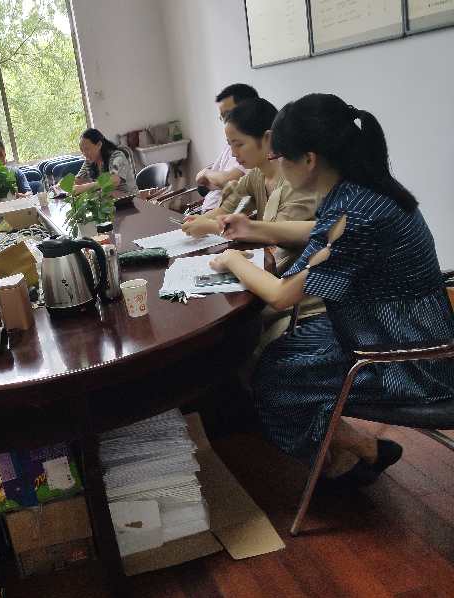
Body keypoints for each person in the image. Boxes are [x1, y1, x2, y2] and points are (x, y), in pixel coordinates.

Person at [210, 94, 454, 485]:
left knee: (273, 377)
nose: (276, 165)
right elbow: (322, 234)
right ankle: (358, 452)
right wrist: (255, 229)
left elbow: (283, 295)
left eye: (279, 157)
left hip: (409, 359)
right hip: (396, 325)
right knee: (274, 354)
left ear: (309, 160)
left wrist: (232, 261)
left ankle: (351, 457)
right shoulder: (361, 190)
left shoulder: (354, 214)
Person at [182, 97, 321, 275]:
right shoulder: (256, 175)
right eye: (230, 145)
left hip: (292, 272)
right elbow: (226, 209)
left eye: (239, 144)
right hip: (270, 266)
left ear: (268, 138)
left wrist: (210, 226)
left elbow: (279, 235)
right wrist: (198, 221)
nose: (233, 153)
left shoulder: (296, 180)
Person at [196, 84, 258, 212]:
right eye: (223, 117)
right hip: (210, 213)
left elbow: (229, 180)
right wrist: (214, 179)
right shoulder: (230, 144)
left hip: (223, 218)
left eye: (228, 115)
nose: (226, 121)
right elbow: (205, 182)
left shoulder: (252, 147)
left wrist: (207, 173)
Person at [73, 128, 138, 195]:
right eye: (82, 150)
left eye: (87, 149)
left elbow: (114, 181)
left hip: (129, 197)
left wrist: (85, 187)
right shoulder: (89, 160)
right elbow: (77, 181)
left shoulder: (117, 156)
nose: (84, 154)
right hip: (107, 197)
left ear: (99, 145)